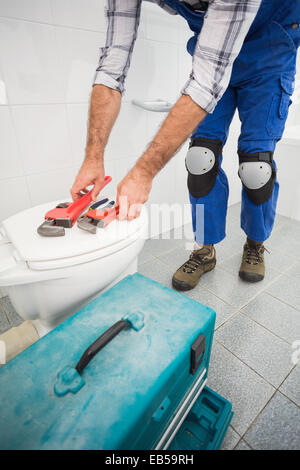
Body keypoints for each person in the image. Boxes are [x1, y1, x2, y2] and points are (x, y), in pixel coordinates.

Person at [71, 0, 300, 291]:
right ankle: (205, 249)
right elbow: (111, 67)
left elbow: (205, 85)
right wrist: (93, 157)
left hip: (270, 58)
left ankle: (255, 243)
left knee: (257, 168)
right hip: (213, 52)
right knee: (200, 158)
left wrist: (143, 172)